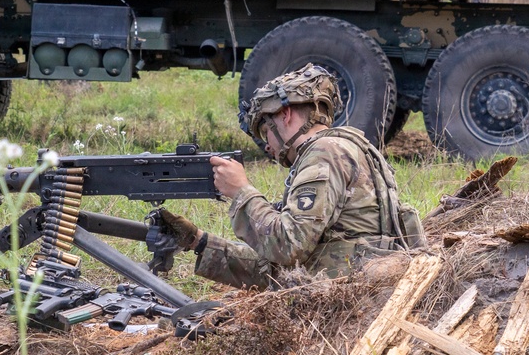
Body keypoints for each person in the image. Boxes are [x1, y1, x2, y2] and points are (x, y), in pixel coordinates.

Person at [160, 63, 425, 290]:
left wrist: (241, 191)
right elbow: (288, 267)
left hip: (342, 309)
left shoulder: (324, 153)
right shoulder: (345, 148)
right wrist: (199, 241)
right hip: (354, 294)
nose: (267, 146)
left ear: (285, 115)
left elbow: (288, 247)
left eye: (266, 132)